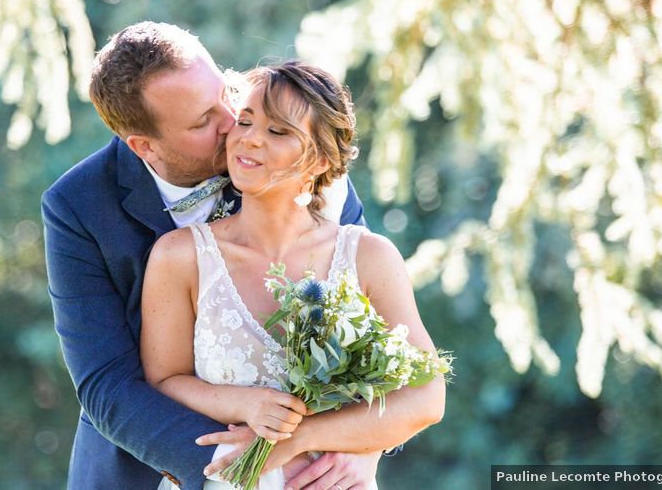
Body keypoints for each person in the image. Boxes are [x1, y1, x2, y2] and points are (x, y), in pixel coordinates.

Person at [42, 22, 378, 490]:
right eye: (202, 121)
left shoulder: (290, 147)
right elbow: (107, 387)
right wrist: (245, 469)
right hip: (158, 470)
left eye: (225, 92)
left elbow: (372, 334)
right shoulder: (78, 207)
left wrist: (364, 448)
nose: (231, 122)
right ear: (144, 147)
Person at [140, 61, 446, 490]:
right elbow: (163, 380)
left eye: (278, 131)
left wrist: (301, 437)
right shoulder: (180, 256)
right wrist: (246, 404)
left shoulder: (369, 257)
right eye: (245, 121)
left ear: (319, 158)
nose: (250, 138)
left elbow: (426, 398)